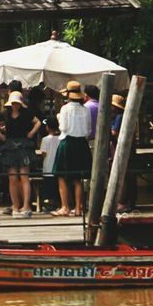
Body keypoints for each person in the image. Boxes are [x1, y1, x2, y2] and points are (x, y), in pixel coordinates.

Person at [0, 90, 41, 217]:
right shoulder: (5, 114)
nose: (15, 105)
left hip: (24, 144)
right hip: (10, 145)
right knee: (12, 178)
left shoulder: (27, 113)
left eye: (17, 103)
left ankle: (26, 205)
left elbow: (38, 122)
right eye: (13, 103)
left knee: (24, 176)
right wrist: (0, 134)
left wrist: (32, 133)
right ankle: (15, 205)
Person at [53, 80, 92, 217]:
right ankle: (78, 208)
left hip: (68, 143)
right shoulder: (85, 109)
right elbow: (88, 130)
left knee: (62, 176)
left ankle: (65, 207)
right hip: (81, 143)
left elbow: (63, 128)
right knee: (78, 178)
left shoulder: (65, 109)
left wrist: (58, 119)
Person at [38, 116, 61, 212]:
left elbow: (43, 153)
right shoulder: (60, 139)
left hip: (48, 167)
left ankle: (48, 204)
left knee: (48, 188)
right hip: (58, 167)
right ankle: (57, 203)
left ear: (47, 127)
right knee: (56, 187)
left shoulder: (45, 139)